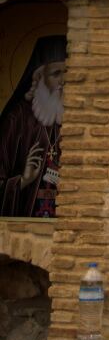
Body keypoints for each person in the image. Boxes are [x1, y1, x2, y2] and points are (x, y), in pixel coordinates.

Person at [0, 35, 66, 217]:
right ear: (39, 77)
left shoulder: (77, 118)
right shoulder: (16, 118)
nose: (63, 80)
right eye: (56, 74)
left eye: (67, 72)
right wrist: (23, 180)